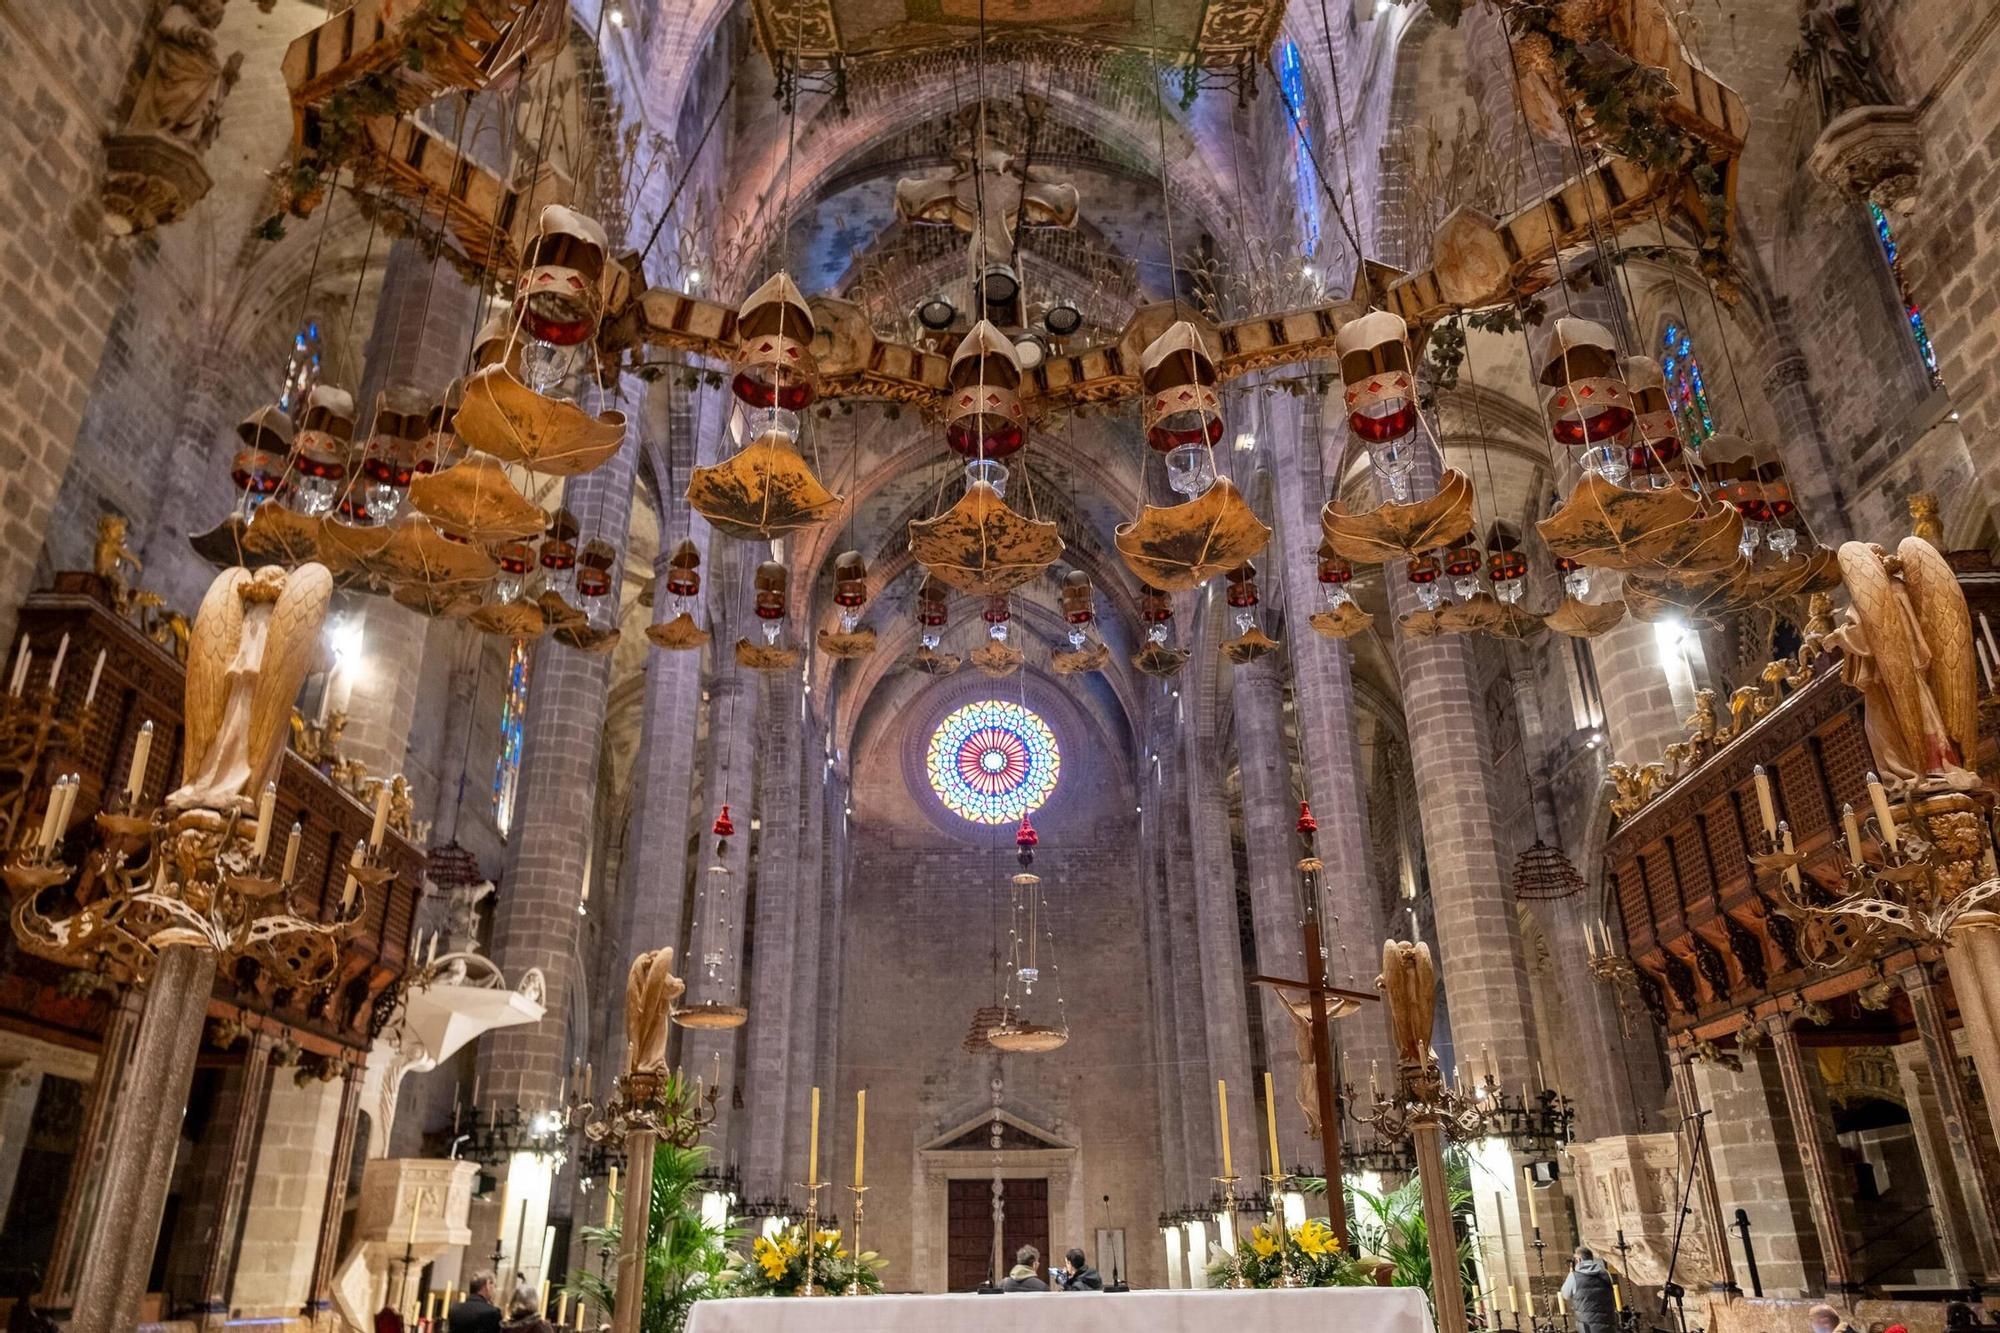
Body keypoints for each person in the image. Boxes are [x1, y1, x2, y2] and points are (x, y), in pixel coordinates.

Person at [1558, 1247, 1616, 1333]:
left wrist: (1571, 1273)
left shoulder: (1574, 1276)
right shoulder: (1606, 1273)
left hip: (1587, 1327)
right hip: (1608, 1322)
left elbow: (1565, 1294)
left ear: (1579, 1259)